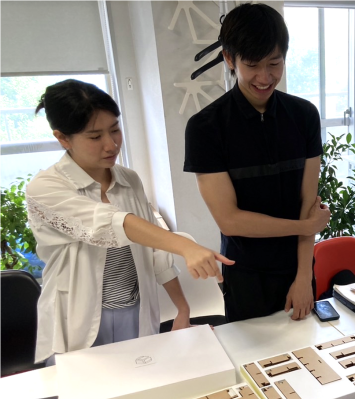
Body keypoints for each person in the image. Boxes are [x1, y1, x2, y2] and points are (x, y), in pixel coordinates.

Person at [28, 79, 234, 365]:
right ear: (63, 138)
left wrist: (182, 310)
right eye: (94, 136)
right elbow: (110, 224)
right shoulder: (46, 187)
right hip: (78, 319)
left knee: (143, 392)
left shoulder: (129, 180)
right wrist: (186, 246)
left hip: (135, 311)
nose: (110, 144)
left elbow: (155, 253)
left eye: (115, 129)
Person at [184, 3, 330, 323]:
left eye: (274, 63)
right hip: (245, 275)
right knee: (255, 366)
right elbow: (230, 220)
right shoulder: (206, 128)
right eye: (252, 65)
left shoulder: (304, 116)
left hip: (299, 269)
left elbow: (309, 202)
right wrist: (305, 227)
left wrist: (304, 276)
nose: (265, 77)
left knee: (309, 356)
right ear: (229, 59)